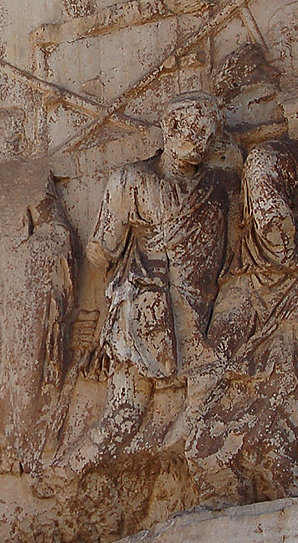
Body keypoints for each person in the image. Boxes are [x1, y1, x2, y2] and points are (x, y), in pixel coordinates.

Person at [90, 92, 232, 380]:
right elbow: (101, 252)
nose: (202, 141)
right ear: (171, 126)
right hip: (149, 312)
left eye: (208, 132)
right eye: (195, 129)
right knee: (125, 419)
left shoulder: (217, 189)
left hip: (201, 312)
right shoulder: (132, 179)